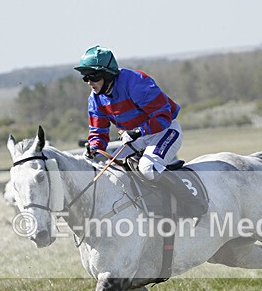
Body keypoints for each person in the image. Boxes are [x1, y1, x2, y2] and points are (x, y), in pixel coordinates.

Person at [74, 45, 206, 218]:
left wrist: (138, 131)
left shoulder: (136, 82)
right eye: (85, 78)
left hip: (164, 132)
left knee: (148, 168)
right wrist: (94, 147)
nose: (89, 82)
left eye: (93, 76)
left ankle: (193, 203)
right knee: (111, 171)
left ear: (107, 74)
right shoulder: (95, 99)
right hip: (135, 138)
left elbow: (163, 116)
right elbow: (98, 131)